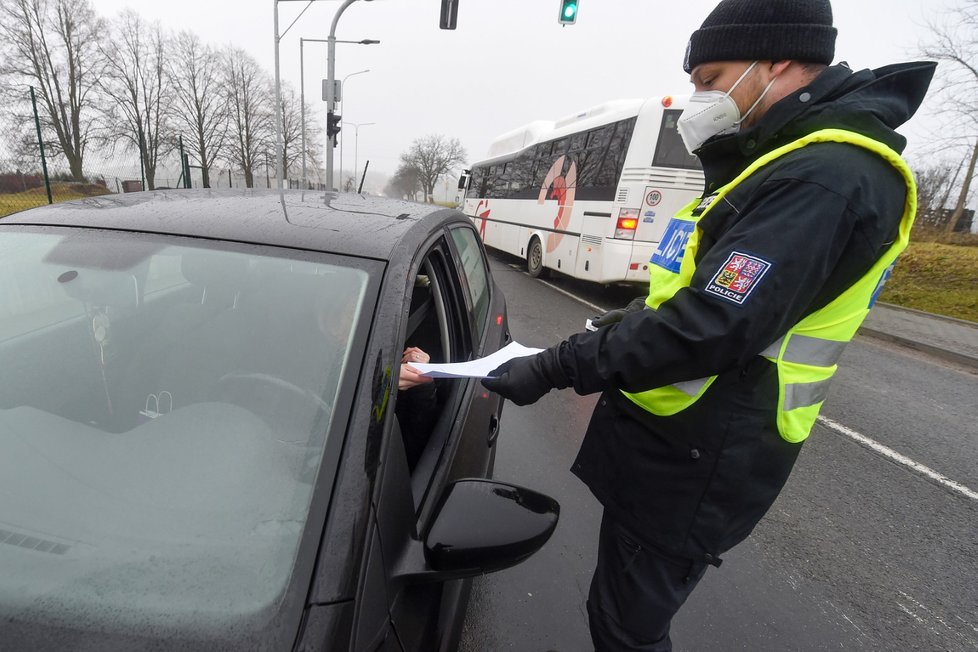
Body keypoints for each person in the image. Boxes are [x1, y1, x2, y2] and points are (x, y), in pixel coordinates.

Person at [482, 1, 935, 649]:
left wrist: (557, 365)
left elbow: (707, 325)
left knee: (625, 628)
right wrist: (606, 334)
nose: (698, 99)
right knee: (621, 613)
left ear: (776, 62)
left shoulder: (826, 177)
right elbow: (687, 297)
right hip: (675, 440)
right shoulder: (773, 163)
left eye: (711, 78)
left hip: (701, 455)